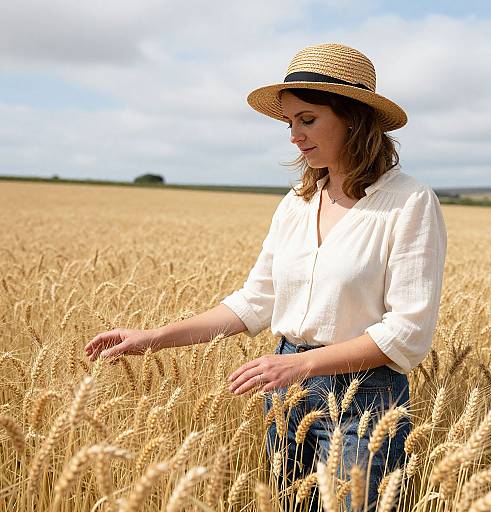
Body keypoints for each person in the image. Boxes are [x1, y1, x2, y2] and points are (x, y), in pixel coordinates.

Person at [85, 43, 447, 512]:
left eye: (308, 119)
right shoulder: (296, 204)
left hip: (365, 400)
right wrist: (153, 338)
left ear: (354, 119)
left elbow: (408, 332)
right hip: (283, 389)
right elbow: (255, 301)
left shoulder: (409, 203)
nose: (294, 135)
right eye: (290, 122)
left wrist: (302, 365)